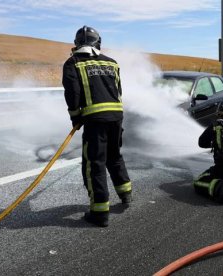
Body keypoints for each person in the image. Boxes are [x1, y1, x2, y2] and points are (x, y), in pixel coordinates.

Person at [62, 26, 132, 227]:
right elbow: (118, 90)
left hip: (95, 120)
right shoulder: (112, 63)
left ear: (77, 44)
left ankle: (99, 212)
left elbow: (72, 94)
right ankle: (126, 193)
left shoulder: (73, 63)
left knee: (95, 164)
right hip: (116, 116)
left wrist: (76, 117)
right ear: (98, 43)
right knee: (114, 155)